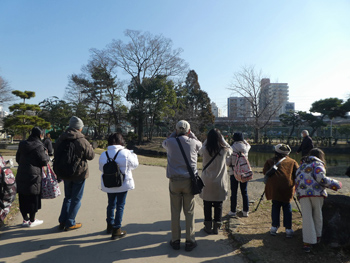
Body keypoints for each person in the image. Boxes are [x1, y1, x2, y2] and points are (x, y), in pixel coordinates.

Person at [162, 120, 202, 251]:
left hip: (174, 181)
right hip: (189, 181)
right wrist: (191, 135)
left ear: (176, 130)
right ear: (189, 131)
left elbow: (165, 142)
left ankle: (175, 240)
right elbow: (200, 146)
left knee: (175, 211)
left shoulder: (170, 142)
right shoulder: (194, 143)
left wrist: (175, 133)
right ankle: (190, 241)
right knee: (189, 212)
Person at [295, 148, 342, 252]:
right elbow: (321, 179)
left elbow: (297, 179)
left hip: (302, 193)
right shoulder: (317, 164)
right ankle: (317, 237)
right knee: (317, 214)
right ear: (320, 156)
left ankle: (307, 242)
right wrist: (336, 184)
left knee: (307, 217)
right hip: (316, 193)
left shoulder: (302, 165)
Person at [55, 116, 95, 231]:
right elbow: (91, 156)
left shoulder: (61, 138)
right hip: (79, 173)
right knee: (76, 198)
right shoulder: (81, 140)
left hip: (64, 172)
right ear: (79, 128)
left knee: (67, 197)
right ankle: (70, 222)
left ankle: (62, 220)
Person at [99, 133, 139, 240]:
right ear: (121, 141)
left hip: (109, 183)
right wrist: (134, 155)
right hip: (122, 183)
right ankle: (117, 229)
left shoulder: (104, 154)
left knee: (111, 204)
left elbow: (101, 169)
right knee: (120, 205)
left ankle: (110, 225)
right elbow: (134, 165)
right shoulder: (125, 152)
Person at [199, 129, 232, 234]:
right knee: (218, 204)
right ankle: (217, 227)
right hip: (219, 181)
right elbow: (231, 149)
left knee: (207, 204)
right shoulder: (224, 150)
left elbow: (199, 151)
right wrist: (222, 139)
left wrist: (206, 140)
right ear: (219, 138)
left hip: (206, 181)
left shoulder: (204, 149)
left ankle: (207, 226)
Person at [16, 127, 50, 227]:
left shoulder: (22, 144)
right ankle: (32, 220)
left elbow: (18, 158)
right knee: (33, 196)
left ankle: (25, 219)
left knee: (22, 196)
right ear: (39, 135)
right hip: (34, 175)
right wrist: (47, 155)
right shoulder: (39, 146)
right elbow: (43, 161)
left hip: (21, 173)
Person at [263, 144, 299, 238]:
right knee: (287, 206)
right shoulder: (292, 162)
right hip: (287, 188)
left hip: (274, 188)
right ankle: (288, 229)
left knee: (275, 206)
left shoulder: (270, 161)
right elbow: (297, 174)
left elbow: (265, 172)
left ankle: (274, 228)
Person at [227, 132, 251, 217]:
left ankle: (233, 211)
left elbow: (227, 162)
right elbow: (248, 144)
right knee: (244, 192)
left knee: (234, 192)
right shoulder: (246, 148)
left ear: (233, 139)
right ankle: (245, 211)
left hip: (234, 172)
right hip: (244, 172)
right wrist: (244, 141)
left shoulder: (231, 148)